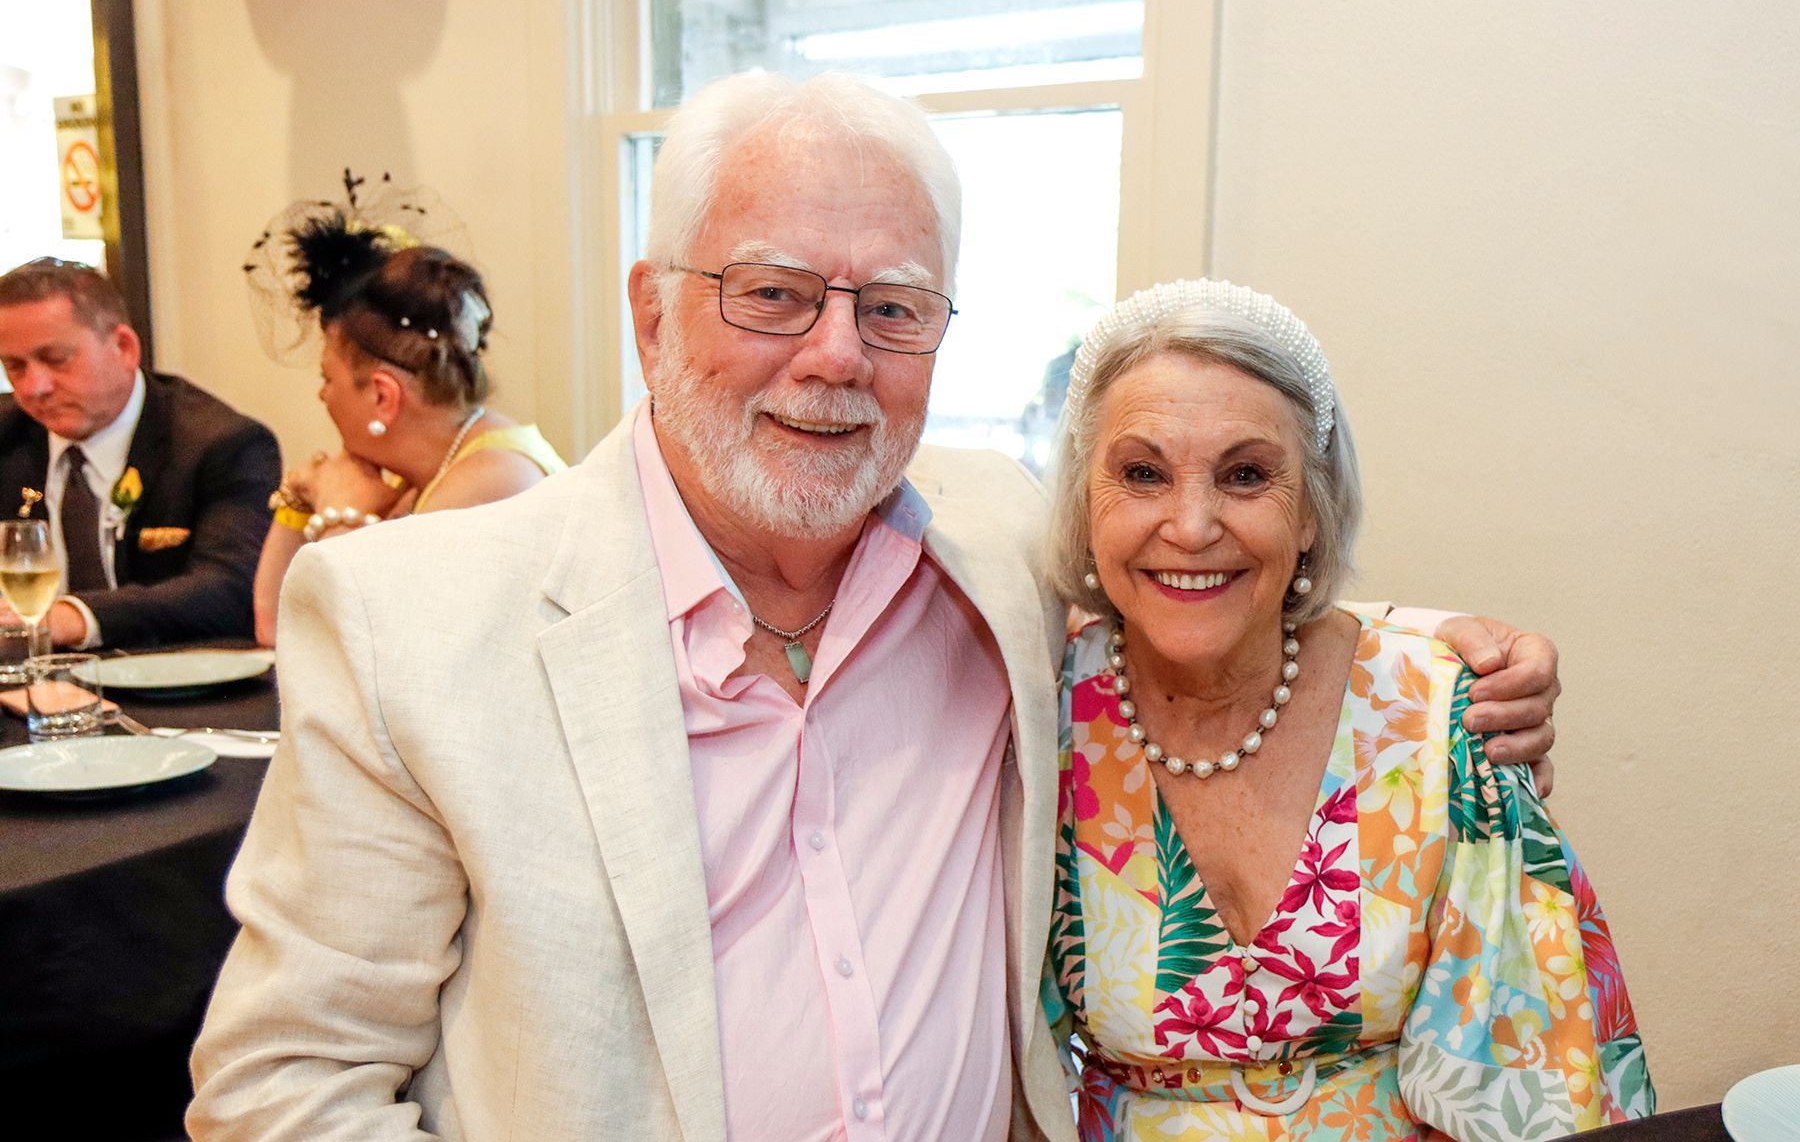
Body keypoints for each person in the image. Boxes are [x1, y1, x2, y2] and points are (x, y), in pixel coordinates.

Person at [188, 74, 1561, 1142]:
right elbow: (282, 1088)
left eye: (894, 309)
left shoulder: (996, 544)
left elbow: (1194, 574)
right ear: (652, 315)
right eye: (773, 293)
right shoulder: (408, 624)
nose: (836, 355)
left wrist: (1429, 659)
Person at [1041, 280, 1653, 1140]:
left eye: (1246, 475)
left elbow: (1533, 1075)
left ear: (1312, 514)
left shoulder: (1443, 722)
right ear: (1084, 504)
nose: (1190, 524)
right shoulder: (1038, 726)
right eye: (1142, 474)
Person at [250, 230, 566, 646]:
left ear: (383, 396)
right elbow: (273, 626)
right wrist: (298, 497)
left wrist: (339, 512)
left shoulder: (490, 483)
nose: (322, 394)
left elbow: (344, 648)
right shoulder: (420, 474)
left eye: (328, 377)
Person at [0, 258, 280, 648]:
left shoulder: (222, 443)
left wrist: (75, 618)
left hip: (173, 688)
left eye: (55, 359)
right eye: (15, 367)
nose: (34, 388)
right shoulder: (8, 436)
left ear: (124, 347)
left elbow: (229, 588)